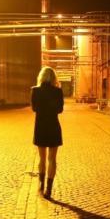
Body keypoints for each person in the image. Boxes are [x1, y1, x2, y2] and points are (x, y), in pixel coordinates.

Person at [31, 66, 64, 199]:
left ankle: (41, 185)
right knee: (52, 159)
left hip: (40, 127)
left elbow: (34, 108)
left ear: (41, 77)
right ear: (53, 78)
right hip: (53, 126)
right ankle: (49, 190)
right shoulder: (58, 91)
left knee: (42, 159)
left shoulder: (35, 91)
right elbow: (60, 110)